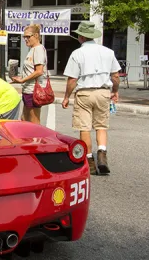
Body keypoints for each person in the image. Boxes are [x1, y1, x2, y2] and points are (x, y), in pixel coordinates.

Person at [61, 21, 121, 176]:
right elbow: (115, 75)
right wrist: (115, 91)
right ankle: (102, 154)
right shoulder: (108, 52)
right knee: (101, 125)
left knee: (85, 127)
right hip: (103, 92)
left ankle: (89, 160)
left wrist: (66, 97)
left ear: (81, 36)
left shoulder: (77, 54)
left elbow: (72, 79)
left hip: (84, 93)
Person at [11, 24, 47, 124]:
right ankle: (28, 139)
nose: (25, 39)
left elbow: (39, 71)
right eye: (24, 37)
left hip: (33, 91)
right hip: (28, 89)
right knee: (24, 119)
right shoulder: (32, 49)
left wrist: (23, 80)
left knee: (33, 121)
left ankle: (37, 139)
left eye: (28, 36)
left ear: (36, 35)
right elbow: (31, 70)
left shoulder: (39, 49)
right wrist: (20, 78)